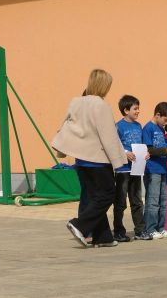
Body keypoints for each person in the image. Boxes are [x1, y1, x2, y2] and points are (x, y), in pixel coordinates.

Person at [52, 69, 127, 248]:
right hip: (98, 159)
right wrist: (118, 162)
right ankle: (80, 224)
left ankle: (103, 237)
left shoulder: (76, 102)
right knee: (107, 195)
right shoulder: (101, 105)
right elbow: (108, 136)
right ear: (104, 85)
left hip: (81, 160)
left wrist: (61, 152)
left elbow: (64, 125)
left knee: (95, 197)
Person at [113, 95, 152, 242]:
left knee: (136, 201)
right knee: (120, 202)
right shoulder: (118, 126)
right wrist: (125, 153)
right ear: (126, 110)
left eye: (138, 108)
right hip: (123, 170)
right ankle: (118, 231)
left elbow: (141, 145)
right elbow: (114, 146)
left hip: (136, 168)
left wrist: (146, 153)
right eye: (135, 109)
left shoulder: (138, 126)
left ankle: (140, 230)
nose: (138, 111)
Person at [142, 102, 167, 239]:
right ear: (158, 115)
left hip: (162, 168)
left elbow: (162, 148)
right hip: (152, 169)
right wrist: (164, 150)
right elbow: (148, 149)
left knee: (163, 200)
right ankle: (150, 229)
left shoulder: (161, 129)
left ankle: (160, 227)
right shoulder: (148, 128)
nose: (166, 124)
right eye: (165, 120)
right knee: (153, 200)